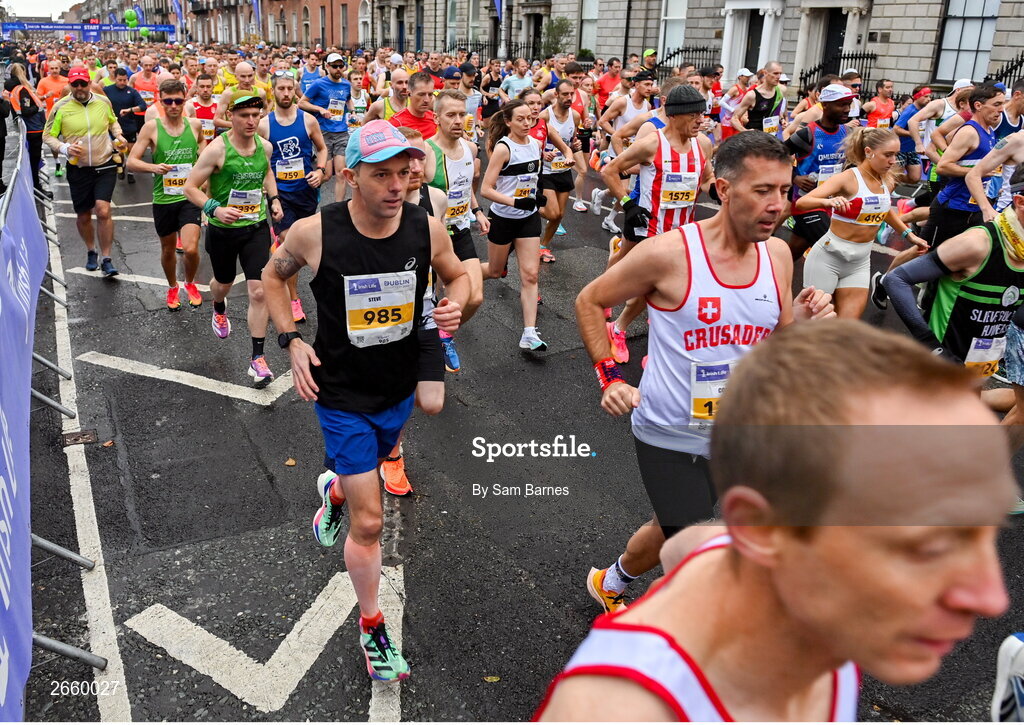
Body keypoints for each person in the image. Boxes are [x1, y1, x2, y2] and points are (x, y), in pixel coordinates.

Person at [537, 319, 1014, 720]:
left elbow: (697, 546)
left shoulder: (834, 636)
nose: (992, 598)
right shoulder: (619, 705)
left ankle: (613, 579)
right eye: (927, 547)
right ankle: (613, 579)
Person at [576, 132, 834, 614]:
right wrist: (610, 376)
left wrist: (805, 320)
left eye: (784, 190)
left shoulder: (777, 254)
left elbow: (777, 339)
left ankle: (610, 579)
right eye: (763, 191)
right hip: (669, 433)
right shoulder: (666, 254)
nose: (778, 205)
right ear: (723, 189)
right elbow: (590, 300)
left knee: (670, 523)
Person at [261, 120, 469, 682]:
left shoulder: (427, 230)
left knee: (376, 462)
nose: (397, 185)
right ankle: (372, 627)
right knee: (371, 521)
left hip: (395, 386)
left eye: (405, 172)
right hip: (342, 393)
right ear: (351, 177)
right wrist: (292, 341)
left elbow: (459, 276)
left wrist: (457, 304)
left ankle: (332, 488)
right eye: (382, 174)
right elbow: (272, 278)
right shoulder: (315, 232)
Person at [884, 166, 1024, 418]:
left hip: (978, 366)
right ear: (1020, 202)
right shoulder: (977, 243)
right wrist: (933, 347)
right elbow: (896, 280)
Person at [600, 84, 714, 365]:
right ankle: (618, 328)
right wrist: (628, 204)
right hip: (650, 229)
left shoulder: (703, 144)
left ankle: (658, 344)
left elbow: (708, 179)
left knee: (677, 291)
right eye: (695, 115)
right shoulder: (652, 143)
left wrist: (721, 192)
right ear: (674, 116)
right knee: (651, 287)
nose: (702, 120)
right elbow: (610, 170)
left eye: (703, 113)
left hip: (683, 233)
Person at [182, 91, 284, 387]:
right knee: (223, 283)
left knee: (259, 291)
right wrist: (215, 208)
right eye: (244, 116)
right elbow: (190, 187)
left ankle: (258, 359)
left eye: (256, 115)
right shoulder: (217, 150)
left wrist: (274, 199)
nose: (252, 121)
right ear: (231, 117)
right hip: (223, 230)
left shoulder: (265, 147)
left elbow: (267, 175)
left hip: (255, 227)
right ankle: (218, 306)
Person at [794, 127, 928, 318]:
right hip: (828, 258)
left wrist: (910, 235)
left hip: (859, 263)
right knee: (812, 324)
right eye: (888, 155)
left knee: (847, 327)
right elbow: (802, 202)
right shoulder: (847, 179)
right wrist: (828, 201)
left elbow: (884, 210)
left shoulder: (887, 180)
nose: (893, 161)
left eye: (896, 155)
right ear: (868, 151)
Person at [126, 79, 206, 310]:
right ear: (160, 101)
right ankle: (173, 286)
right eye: (168, 101)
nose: (173, 105)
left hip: (189, 197)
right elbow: (132, 161)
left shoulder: (194, 125)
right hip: (164, 198)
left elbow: (204, 150)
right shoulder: (152, 127)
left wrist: (204, 174)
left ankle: (190, 282)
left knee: (191, 248)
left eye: (178, 101)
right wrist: (154, 168)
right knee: (168, 249)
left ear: (184, 100)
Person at [43, 66, 128, 277]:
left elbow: (113, 122)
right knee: (83, 215)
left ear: (89, 83)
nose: (80, 87)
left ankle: (107, 259)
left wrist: (119, 136)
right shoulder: (61, 107)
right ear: (70, 85)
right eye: (75, 84)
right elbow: (48, 136)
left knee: (103, 210)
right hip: (78, 167)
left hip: (104, 163)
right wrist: (64, 148)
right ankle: (91, 250)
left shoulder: (103, 102)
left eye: (83, 83)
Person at [257, 70, 327, 324]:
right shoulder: (264, 124)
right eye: (281, 89)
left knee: (307, 242)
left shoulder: (308, 120)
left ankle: (278, 251)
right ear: (272, 91)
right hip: (280, 195)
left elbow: (322, 148)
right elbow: (261, 163)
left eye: (289, 89)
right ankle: (294, 298)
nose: (286, 93)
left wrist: (320, 171)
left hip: (306, 192)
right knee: (291, 242)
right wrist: (269, 194)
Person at [426, 89, 488, 371]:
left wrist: (476, 210)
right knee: (431, 299)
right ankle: (425, 341)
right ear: (436, 117)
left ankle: (443, 336)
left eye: (462, 114)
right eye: (451, 114)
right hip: (431, 236)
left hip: (460, 229)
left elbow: (466, 186)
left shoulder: (471, 149)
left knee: (474, 297)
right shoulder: (427, 151)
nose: (458, 120)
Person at [479, 99, 548, 351]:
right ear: (508, 122)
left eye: (530, 118)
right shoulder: (503, 148)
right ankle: (461, 274)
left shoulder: (537, 144)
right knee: (495, 271)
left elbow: (534, 177)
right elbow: (485, 189)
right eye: (520, 119)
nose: (527, 123)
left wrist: (536, 196)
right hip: (504, 218)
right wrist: (514, 201)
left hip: (528, 218)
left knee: (530, 274)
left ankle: (529, 333)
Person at [921, 84, 1006, 248]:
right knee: (923, 253)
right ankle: (889, 275)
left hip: (969, 207)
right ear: (978, 106)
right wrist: (979, 172)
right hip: (951, 206)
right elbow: (943, 167)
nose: (1001, 109)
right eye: (996, 104)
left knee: (955, 261)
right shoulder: (969, 132)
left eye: (1002, 104)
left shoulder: (989, 131)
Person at [783, 83, 854, 259]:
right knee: (834, 251)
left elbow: (853, 164)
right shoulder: (807, 134)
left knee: (793, 252)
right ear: (825, 105)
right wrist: (794, 177)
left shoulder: (849, 132)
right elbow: (776, 157)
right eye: (841, 104)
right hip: (807, 203)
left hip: (833, 202)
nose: (847, 109)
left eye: (849, 104)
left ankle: (771, 272)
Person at [298, 53, 353, 202]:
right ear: (327, 67)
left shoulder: (346, 84)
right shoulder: (318, 84)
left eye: (341, 66)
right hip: (324, 132)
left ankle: (338, 209)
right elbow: (302, 103)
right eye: (334, 66)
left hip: (341, 131)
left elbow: (348, 100)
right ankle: (306, 190)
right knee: (327, 175)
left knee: (341, 173)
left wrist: (352, 112)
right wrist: (319, 109)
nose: (338, 69)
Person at [537, 80, 580, 263]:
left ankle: (543, 246)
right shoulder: (545, 116)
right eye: (565, 94)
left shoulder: (575, 116)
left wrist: (575, 147)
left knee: (560, 215)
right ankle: (528, 205)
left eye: (571, 94)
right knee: (552, 213)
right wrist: (543, 153)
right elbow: (533, 142)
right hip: (546, 170)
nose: (569, 97)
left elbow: (571, 141)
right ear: (556, 94)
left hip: (564, 168)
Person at [731, 60, 785, 135]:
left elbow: (775, 112)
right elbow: (734, 118)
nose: (778, 77)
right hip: (755, 140)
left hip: (771, 138)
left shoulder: (779, 92)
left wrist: (782, 120)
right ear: (765, 73)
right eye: (775, 73)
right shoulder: (752, 95)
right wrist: (744, 131)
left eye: (780, 73)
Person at [388, 71, 438, 139]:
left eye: (430, 94)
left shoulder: (435, 118)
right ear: (409, 94)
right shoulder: (396, 123)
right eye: (421, 94)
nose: (427, 100)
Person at [185, 72, 218, 143]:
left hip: (211, 147)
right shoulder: (189, 104)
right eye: (202, 86)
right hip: (194, 147)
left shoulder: (218, 105)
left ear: (213, 87)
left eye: (208, 86)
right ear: (196, 88)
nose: (205, 90)